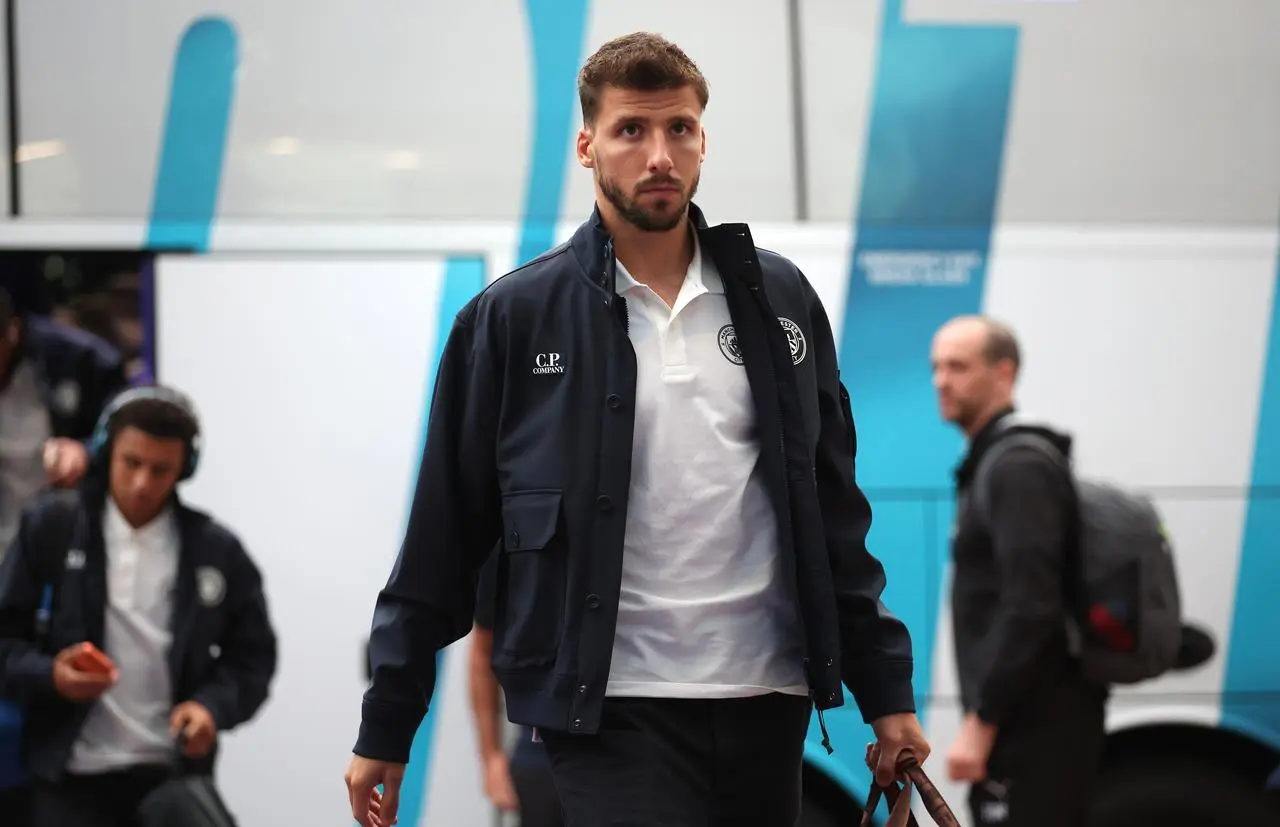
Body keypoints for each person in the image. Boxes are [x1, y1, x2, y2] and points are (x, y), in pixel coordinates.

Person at [346, 31, 929, 827]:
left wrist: (887, 695)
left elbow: (833, 517)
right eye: (631, 130)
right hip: (608, 710)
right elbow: (442, 540)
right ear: (587, 145)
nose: (659, 153)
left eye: (679, 129)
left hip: (767, 696)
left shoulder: (780, 303)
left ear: (702, 140)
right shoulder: (512, 319)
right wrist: (388, 723)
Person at [0, 385, 279, 827]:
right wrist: (51, 674)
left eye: (160, 470)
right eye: (131, 463)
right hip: (67, 776)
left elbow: (254, 656)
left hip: (169, 774)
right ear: (106, 452)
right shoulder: (52, 527)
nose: (142, 484)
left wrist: (211, 707)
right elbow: (5, 641)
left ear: (183, 470)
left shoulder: (215, 550)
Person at [931, 315, 1108, 827]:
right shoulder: (995, 460)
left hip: (1038, 730)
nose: (941, 380)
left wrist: (981, 723)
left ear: (1004, 374)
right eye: (937, 367)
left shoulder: (1017, 467)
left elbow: (1033, 606)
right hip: (1026, 727)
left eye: (958, 367)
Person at [0, 284, 130, 557]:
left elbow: (129, 428)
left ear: (11, 334)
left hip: (60, 545)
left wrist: (86, 451)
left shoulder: (81, 360)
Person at [468, 556, 563, 826]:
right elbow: (482, 654)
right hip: (540, 754)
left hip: (626, 747)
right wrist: (491, 758)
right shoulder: (511, 529)